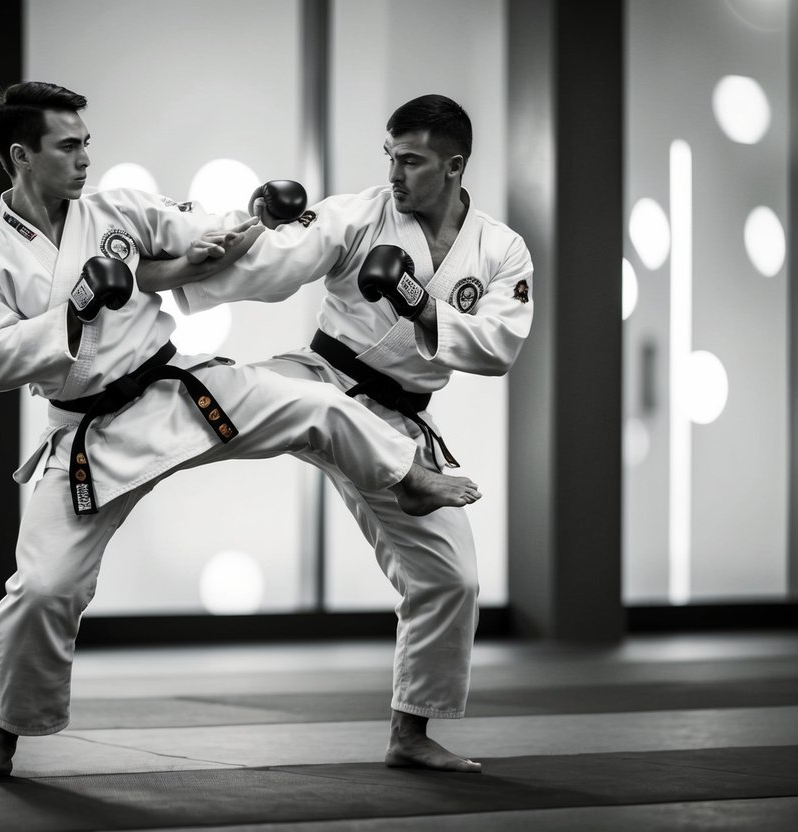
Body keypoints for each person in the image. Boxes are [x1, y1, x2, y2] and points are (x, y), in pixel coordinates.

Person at [0, 82, 482, 782]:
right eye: (68, 146)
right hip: (90, 434)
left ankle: (408, 478)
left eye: (86, 143)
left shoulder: (115, 209)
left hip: (179, 390)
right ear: (22, 155)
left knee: (316, 402)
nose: (84, 159)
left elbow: (194, 228)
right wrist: (73, 310)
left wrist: (254, 217)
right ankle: (3, 738)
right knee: (43, 589)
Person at [142, 94, 534, 772]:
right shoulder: (359, 213)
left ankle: (410, 734)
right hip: (318, 376)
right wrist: (254, 224)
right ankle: (106, 429)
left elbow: (497, 347)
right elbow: (281, 261)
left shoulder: (501, 249)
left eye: (409, 161)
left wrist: (416, 303)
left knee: (451, 579)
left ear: (453, 166)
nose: (394, 174)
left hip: (399, 419)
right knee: (214, 397)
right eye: (389, 157)